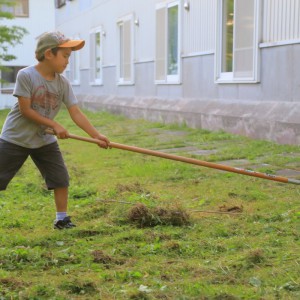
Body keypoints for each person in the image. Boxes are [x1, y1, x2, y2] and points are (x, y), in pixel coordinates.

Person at [0, 31, 110, 229]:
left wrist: (96, 135)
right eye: (65, 56)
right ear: (49, 53)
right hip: (15, 138)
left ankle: (61, 219)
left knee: (60, 178)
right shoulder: (26, 75)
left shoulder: (62, 83)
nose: (68, 62)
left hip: (43, 139)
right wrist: (54, 124)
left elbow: (75, 112)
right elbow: (26, 110)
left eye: (69, 57)